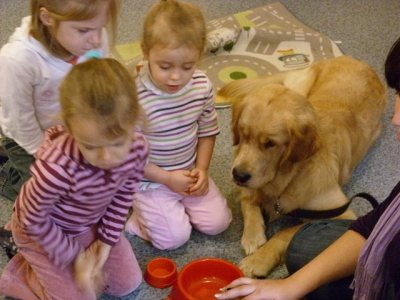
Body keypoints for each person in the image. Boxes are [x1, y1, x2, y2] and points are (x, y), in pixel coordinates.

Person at [215, 38, 400, 300]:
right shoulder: (271, 123)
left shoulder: (303, 143)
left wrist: (278, 243)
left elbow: (348, 221)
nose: (241, 164)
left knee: (303, 251)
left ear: (295, 148)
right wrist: (252, 214)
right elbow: (248, 173)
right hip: (326, 76)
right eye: (243, 136)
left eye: (269, 144)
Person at [0, 58, 149, 299]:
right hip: (41, 230)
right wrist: (75, 257)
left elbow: (123, 194)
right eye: (91, 146)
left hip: (88, 222)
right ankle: (18, 276)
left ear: (134, 120)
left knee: (128, 283)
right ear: (69, 129)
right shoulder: (56, 167)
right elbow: (32, 219)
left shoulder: (138, 148)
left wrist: (107, 240)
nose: (106, 157)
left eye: (117, 143)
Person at [124, 0, 232, 250]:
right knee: (173, 240)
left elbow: (207, 132)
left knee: (219, 223)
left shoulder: (202, 86)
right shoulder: (133, 98)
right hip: (149, 179)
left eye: (187, 66)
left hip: (187, 173)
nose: (175, 77)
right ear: (145, 51)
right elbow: (128, 156)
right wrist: (166, 178)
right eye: (164, 66)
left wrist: (202, 169)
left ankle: (168, 211)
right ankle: (136, 220)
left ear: (200, 56)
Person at [0, 0, 119, 202]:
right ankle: (8, 177)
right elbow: (20, 121)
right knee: (48, 197)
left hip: (74, 129)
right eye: (84, 30)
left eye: (101, 27)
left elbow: (101, 81)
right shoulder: (18, 59)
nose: (97, 39)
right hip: (29, 138)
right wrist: (43, 152)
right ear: (47, 18)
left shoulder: (94, 38)